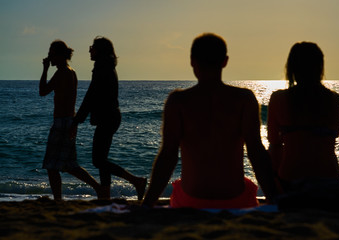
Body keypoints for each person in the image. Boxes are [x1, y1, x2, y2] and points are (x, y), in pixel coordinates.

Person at [141, 33, 277, 209]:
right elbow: (256, 152)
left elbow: (168, 156)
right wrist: (274, 199)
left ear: (192, 61)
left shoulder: (178, 101)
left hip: (191, 201)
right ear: (225, 61)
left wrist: (147, 203)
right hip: (235, 200)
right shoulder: (244, 99)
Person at [73, 37, 147, 200]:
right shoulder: (106, 65)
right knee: (101, 160)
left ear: (99, 50)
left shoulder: (101, 66)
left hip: (108, 117)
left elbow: (91, 94)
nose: (89, 50)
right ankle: (105, 194)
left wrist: (78, 118)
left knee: (98, 161)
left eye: (92, 47)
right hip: (111, 116)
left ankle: (137, 181)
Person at [267, 42, 339, 193]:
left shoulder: (279, 98)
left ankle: (275, 193)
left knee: (274, 148)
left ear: (292, 68)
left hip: (291, 179)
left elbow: (274, 141)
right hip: (329, 179)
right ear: (320, 66)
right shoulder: (334, 99)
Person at [40, 40, 104, 200]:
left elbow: (42, 91)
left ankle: (58, 200)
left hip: (62, 122)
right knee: (70, 166)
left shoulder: (62, 72)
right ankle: (98, 188)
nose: (49, 57)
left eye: (51, 54)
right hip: (68, 120)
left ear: (60, 55)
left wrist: (45, 69)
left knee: (51, 165)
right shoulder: (71, 72)